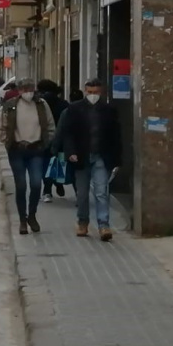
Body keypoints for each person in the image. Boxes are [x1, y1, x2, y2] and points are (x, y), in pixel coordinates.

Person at [55, 78, 123, 241]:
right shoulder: (75, 109)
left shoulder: (109, 110)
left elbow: (116, 136)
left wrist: (117, 159)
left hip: (101, 156)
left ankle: (103, 225)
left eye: (96, 92)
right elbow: (68, 133)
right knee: (82, 194)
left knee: (101, 192)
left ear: (101, 92)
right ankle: (83, 222)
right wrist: (70, 152)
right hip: (81, 157)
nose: (93, 95)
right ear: (85, 91)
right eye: (90, 92)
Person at [0, 77, 55, 234]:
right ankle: (22, 219)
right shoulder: (10, 106)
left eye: (31, 89)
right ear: (19, 91)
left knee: (36, 184)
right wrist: (7, 141)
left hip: (36, 150)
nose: (28, 92)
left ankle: (32, 215)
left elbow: (50, 125)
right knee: (21, 186)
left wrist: (46, 143)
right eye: (25, 89)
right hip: (17, 151)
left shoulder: (42, 105)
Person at [36, 80, 68, 203]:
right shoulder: (63, 103)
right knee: (59, 161)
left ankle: (47, 190)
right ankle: (58, 182)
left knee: (45, 164)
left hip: (44, 137)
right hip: (60, 138)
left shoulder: (40, 103)